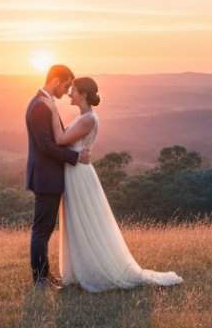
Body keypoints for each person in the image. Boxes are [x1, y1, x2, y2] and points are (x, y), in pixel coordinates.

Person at [43, 76, 183, 292]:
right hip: (74, 171)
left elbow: (61, 140)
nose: (70, 94)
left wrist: (52, 111)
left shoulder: (88, 118)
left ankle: (94, 270)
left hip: (79, 174)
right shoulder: (83, 116)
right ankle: (79, 271)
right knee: (77, 222)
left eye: (74, 91)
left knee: (84, 221)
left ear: (84, 95)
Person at [24, 65, 89, 287]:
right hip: (46, 178)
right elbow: (46, 146)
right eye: (66, 84)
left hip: (47, 177)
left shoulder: (43, 104)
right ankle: (40, 279)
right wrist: (75, 156)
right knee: (42, 229)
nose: (67, 90)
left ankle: (44, 274)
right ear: (55, 80)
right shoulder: (40, 107)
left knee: (45, 228)